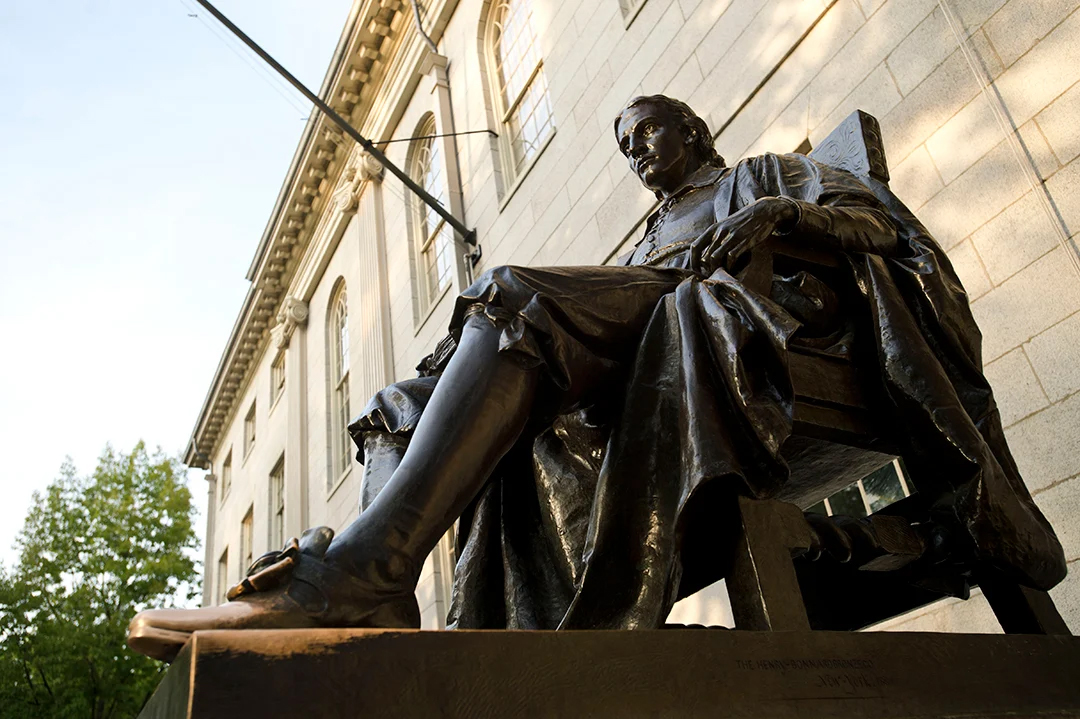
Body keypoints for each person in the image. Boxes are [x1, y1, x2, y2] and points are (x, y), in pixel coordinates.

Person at [128, 96, 1064, 662]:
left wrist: (784, 212)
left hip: (768, 335)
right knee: (396, 403)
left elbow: (889, 235)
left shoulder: (771, 173)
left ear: (694, 129)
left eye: (649, 132)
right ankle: (385, 611)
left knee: (510, 294)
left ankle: (367, 565)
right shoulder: (645, 238)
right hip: (653, 339)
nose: (637, 153)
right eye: (625, 146)